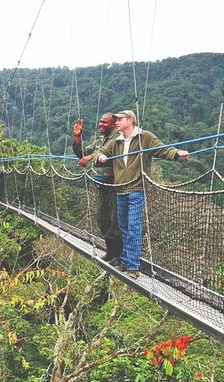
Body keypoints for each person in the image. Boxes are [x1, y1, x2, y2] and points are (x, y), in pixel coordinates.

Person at [92, 110, 189, 279]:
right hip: (120, 190)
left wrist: (176, 153)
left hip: (136, 190)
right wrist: (100, 157)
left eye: (120, 119)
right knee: (123, 228)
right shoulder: (117, 141)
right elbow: (100, 151)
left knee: (133, 227)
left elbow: (161, 149)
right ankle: (125, 260)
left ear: (130, 120)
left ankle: (133, 267)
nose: (116, 122)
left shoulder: (145, 137)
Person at [73, 113, 122, 265]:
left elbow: (107, 152)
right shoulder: (100, 139)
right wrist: (77, 138)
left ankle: (119, 256)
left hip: (115, 185)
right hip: (102, 186)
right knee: (103, 220)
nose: (100, 124)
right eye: (100, 121)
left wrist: (91, 157)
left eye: (104, 122)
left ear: (113, 124)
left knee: (115, 223)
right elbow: (82, 153)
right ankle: (110, 252)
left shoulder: (117, 139)